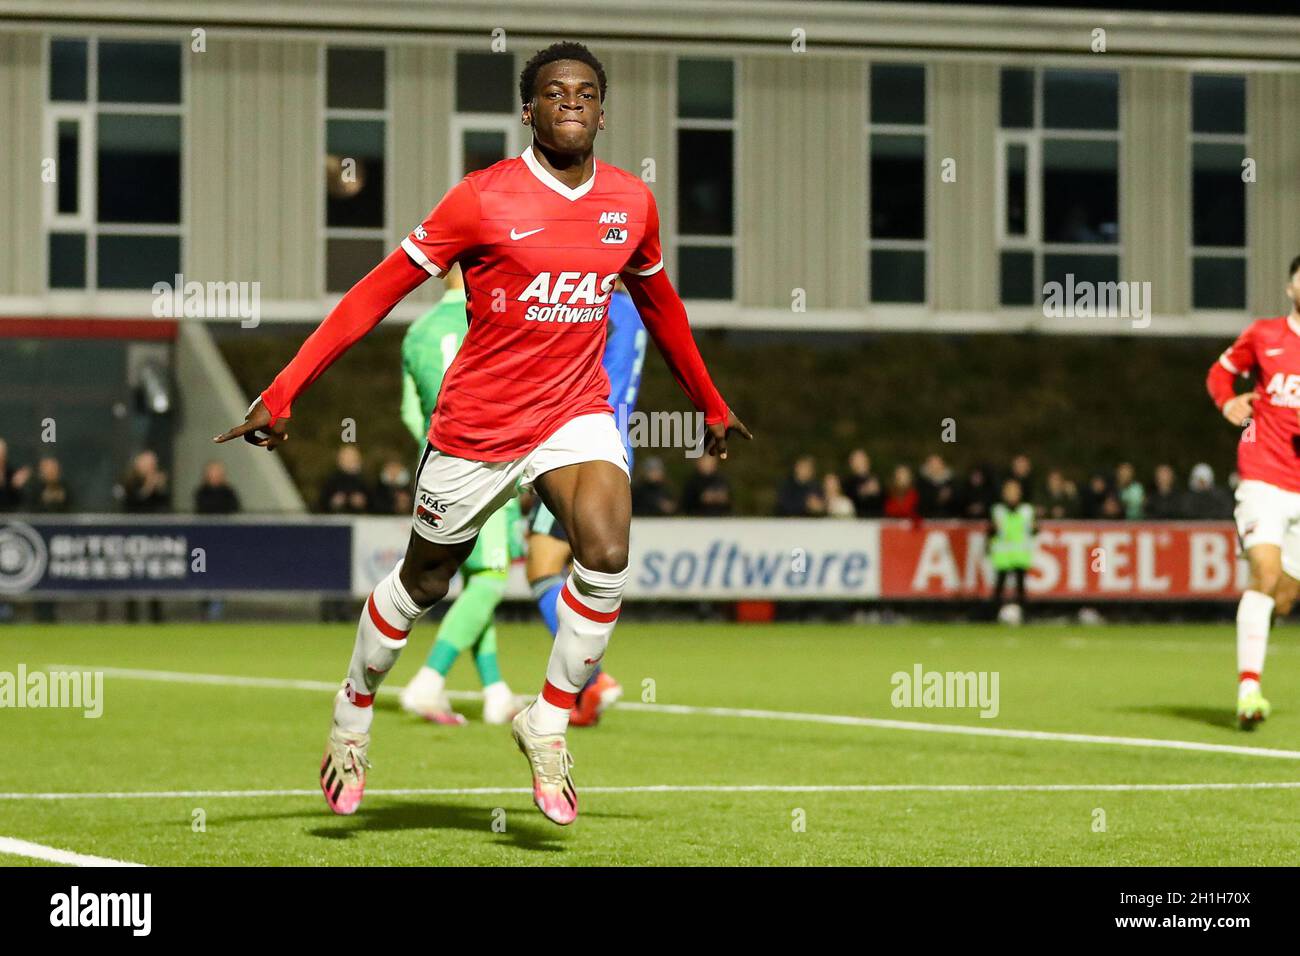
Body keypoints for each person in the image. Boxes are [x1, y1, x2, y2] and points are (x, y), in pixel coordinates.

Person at [215, 41, 750, 826]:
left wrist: (708, 398)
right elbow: (372, 293)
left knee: (606, 552)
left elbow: (661, 305)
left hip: (575, 412)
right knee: (424, 583)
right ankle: (353, 709)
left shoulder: (632, 203)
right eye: (553, 91)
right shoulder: (481, 198)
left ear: (605, 110)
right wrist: (285, 388)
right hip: (478, 426)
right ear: (527, 111)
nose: (571, 100)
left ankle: (549, 720)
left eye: (587, 91)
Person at [396, 265, 521, 727]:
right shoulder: (493, 319)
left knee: (473, 582)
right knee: (491, 576)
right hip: (483, 464)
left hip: (434, 467)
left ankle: (495, 691)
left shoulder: (418, 332)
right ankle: (427, 683)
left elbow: (411, 413)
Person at [1206, 253, 1300, 728]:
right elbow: (1219, 373)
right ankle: (1248, 691)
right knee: (1264, 573)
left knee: (1284, 597)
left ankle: (1263, 625)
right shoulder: (1265, 335)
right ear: (1290, 288)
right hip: (1263, 477)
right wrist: (1227, 403)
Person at [988, 478, 1035, 623]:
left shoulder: (1027, 510)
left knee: (1020, 587)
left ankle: (1023, 615)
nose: (1012, 494)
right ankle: (994, 615)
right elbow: (991, 531)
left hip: (1020, 554)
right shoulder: (997, 510)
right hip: (1003, 554)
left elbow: (1033, 529)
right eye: (1009, 491)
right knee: (999, 587)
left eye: (1014, 491)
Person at [843, 448, 882, 517]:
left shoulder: (877, 479)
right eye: (856, 460)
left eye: (861, 459)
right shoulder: (847, 483)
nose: (859, 463)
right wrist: (865, 491)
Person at [917, 453, 956, 518]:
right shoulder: (921, 482)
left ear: (942, 465)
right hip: (927, 517)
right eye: (932, 464)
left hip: (948, 517)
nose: (934, 466)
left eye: (937, 463)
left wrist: (949, 497)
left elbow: (958, 502)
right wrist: (937, 497)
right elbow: (921, 501)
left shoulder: (951, 481)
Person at [0, 439, 31, 511]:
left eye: (2, 454)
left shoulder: (12, 474)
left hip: (10, 516)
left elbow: (20, 503)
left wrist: (15, 487)